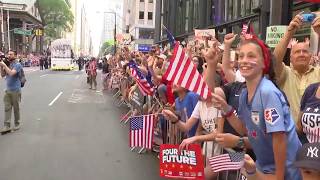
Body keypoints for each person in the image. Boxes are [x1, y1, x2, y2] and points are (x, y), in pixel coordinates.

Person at [211, 35, 302, 179]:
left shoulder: (267, 92)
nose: (244, 60)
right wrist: (225, 107)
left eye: (251, 56)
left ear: (263, 63)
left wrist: (279, 177)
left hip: (285, 171)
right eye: (241, 56)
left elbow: (279, 138)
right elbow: (245, 130)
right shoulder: (244, 95)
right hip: (263, 167)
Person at [273, 14, 320, 125]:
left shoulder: (318, 72)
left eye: (305, 51)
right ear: (290, 57)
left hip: (314, 136)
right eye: (297, 52)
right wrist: (289, 32)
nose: (301, 54)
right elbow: (274, 60)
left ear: (311, 56)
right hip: (289, 136)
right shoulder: (285, 73)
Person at [0, 50, 23, 132]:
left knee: (16, 108)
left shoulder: (17, 65)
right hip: (8, 90)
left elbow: (11, 73)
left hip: (16, 90)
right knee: (7, 108)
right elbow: (3, 75)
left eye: (11, 54)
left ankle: (17, 123)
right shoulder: (7, 64)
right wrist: (1, 66)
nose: (9, 55)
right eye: (8, 54)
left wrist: (4, 65)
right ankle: (7, 126)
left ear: (15, 56)